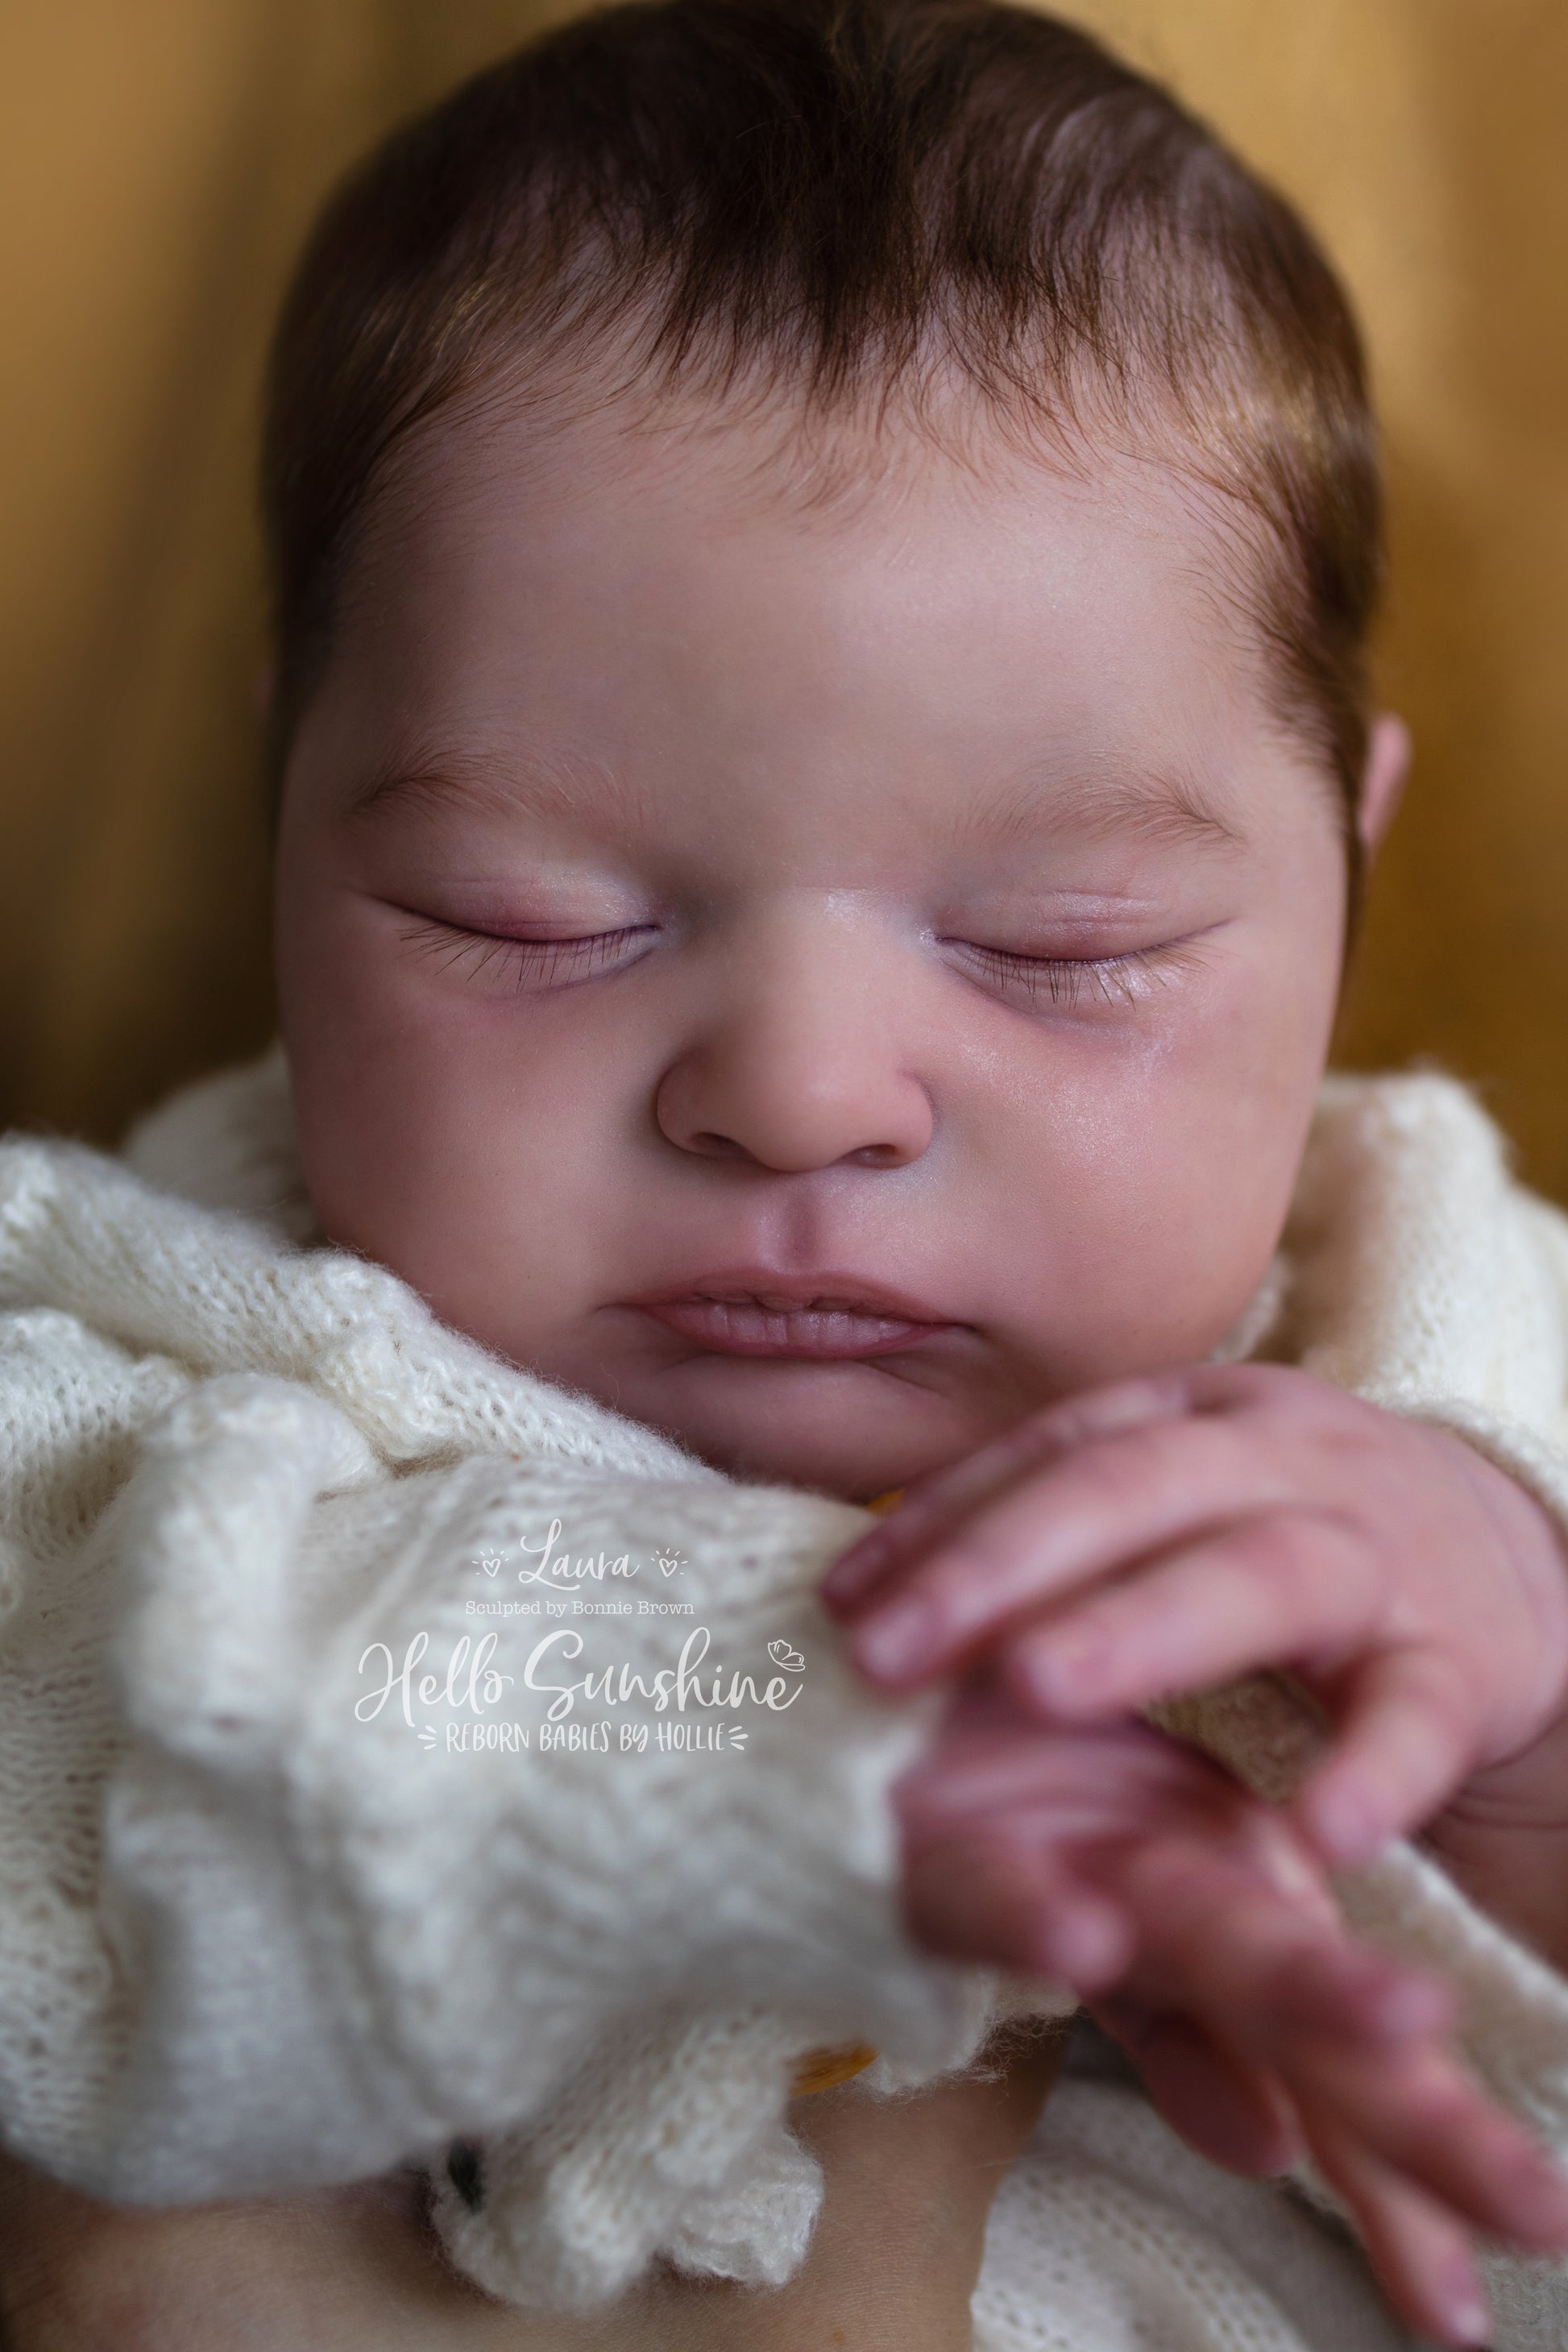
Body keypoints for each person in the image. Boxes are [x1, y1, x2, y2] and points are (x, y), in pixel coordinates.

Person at [6, 2, 1568, 2346]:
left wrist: (1529, 1760)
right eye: (526, 916)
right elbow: (115, 1798)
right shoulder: (116, 1366)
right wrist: (791, 1747)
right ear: (287, 822)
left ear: (1343, 863)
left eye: (1066, 945)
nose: (804, 1095)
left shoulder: (1462, 1355)